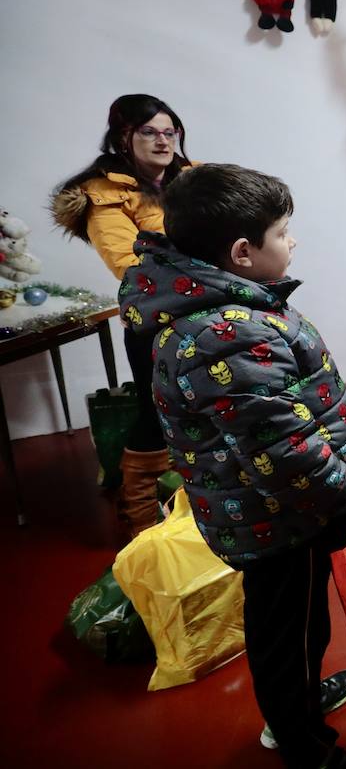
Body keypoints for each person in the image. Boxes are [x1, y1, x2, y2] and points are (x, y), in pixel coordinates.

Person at [116, 164, 346, 769]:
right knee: (287, 630)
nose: (292, 243)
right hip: (281, 517)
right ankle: (305, 746)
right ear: (243, 252)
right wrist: (344, 497)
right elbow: (281, 446)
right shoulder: (226, 333)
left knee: (292, 625)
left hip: (274, 509)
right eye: (283, 232)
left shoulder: (215, 305)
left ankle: (295, 704)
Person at [50, 94, 192, 537]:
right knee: (157, 409)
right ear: (123, 137)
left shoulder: (195, 178)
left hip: (213, 312)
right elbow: (130, 263)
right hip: (155, 319)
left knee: (207, 404)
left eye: (170, 131)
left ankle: (199, 505)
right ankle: (140, 516)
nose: (162, 140)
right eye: (149, 131)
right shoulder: (104, 194)